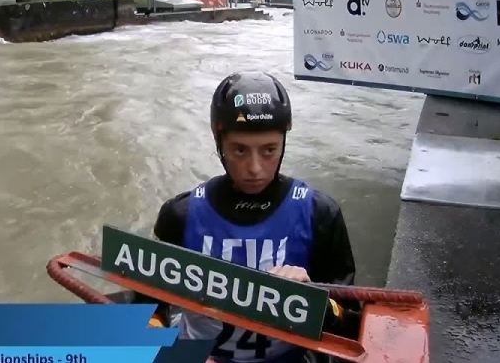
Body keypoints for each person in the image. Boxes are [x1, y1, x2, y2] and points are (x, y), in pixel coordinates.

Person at [140, 72, 358, 363]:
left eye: (269, 150)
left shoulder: (320, 214)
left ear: (283, 144)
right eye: (240, 150)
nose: (254, 168)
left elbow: (353, 323)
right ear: (220, 144)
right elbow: (148, 310)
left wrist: (312, 302)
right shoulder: (178, 216)